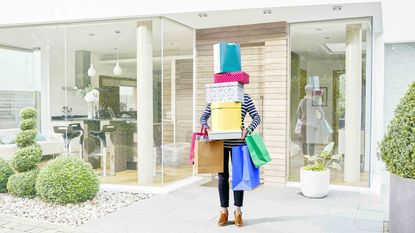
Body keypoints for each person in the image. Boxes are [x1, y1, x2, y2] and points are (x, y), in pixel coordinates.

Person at [200, 93, 261, 227]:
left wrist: (249, 129)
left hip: (238, 143)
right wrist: (208, 128)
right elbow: (203, 117)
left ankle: (238, 212)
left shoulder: (244, 97)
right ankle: (224, 211)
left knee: (239, 177)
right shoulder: (216, 96)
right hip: (219, 144)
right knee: (222, 177)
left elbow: (257, 117)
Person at [296, 84, 325, 160]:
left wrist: (302, 118)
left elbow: (298, 112)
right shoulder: (314, 101)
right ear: (311, 91)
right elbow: (322, 113)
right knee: (311, 142)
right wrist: (318, 121)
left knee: (304, 142)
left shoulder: (302, 101)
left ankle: (305, 157)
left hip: (304, 124)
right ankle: (311, 158)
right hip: (313, 125)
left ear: (305, 91)